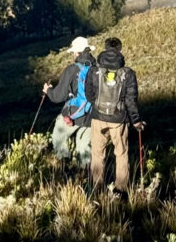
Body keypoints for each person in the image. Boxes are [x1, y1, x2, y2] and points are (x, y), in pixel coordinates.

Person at [84, 37, 146, 196]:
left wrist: (98, 105)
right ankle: (121, 190)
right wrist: (136, 121)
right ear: (120, 49)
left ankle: (97, 189)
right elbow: (131, 100)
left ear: (105, 48)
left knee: (97, 154)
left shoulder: (93, 71)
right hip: (119, 119)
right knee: (121, 154)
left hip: (98, 117)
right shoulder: (128, 73)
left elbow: (89, 95)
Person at [42, 36, 96, 166]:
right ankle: (86, 172)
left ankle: (64, 167)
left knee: (58, 137)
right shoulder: (98, 67)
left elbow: (57, 97)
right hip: (94, 115)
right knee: (83, 144)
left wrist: (48, 90)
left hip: (75, 114)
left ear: (77, 52)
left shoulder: (72, 69)